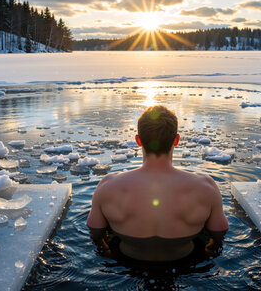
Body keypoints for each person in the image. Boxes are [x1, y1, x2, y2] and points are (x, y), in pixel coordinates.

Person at [86, 105, 229, 262]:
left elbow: (95, 233)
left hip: (125, 264)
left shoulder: (108, 186)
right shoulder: (206, 187)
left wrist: (108, 252)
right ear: (176, 140)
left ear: (138, 140)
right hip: (187, 264)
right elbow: (219, 234)